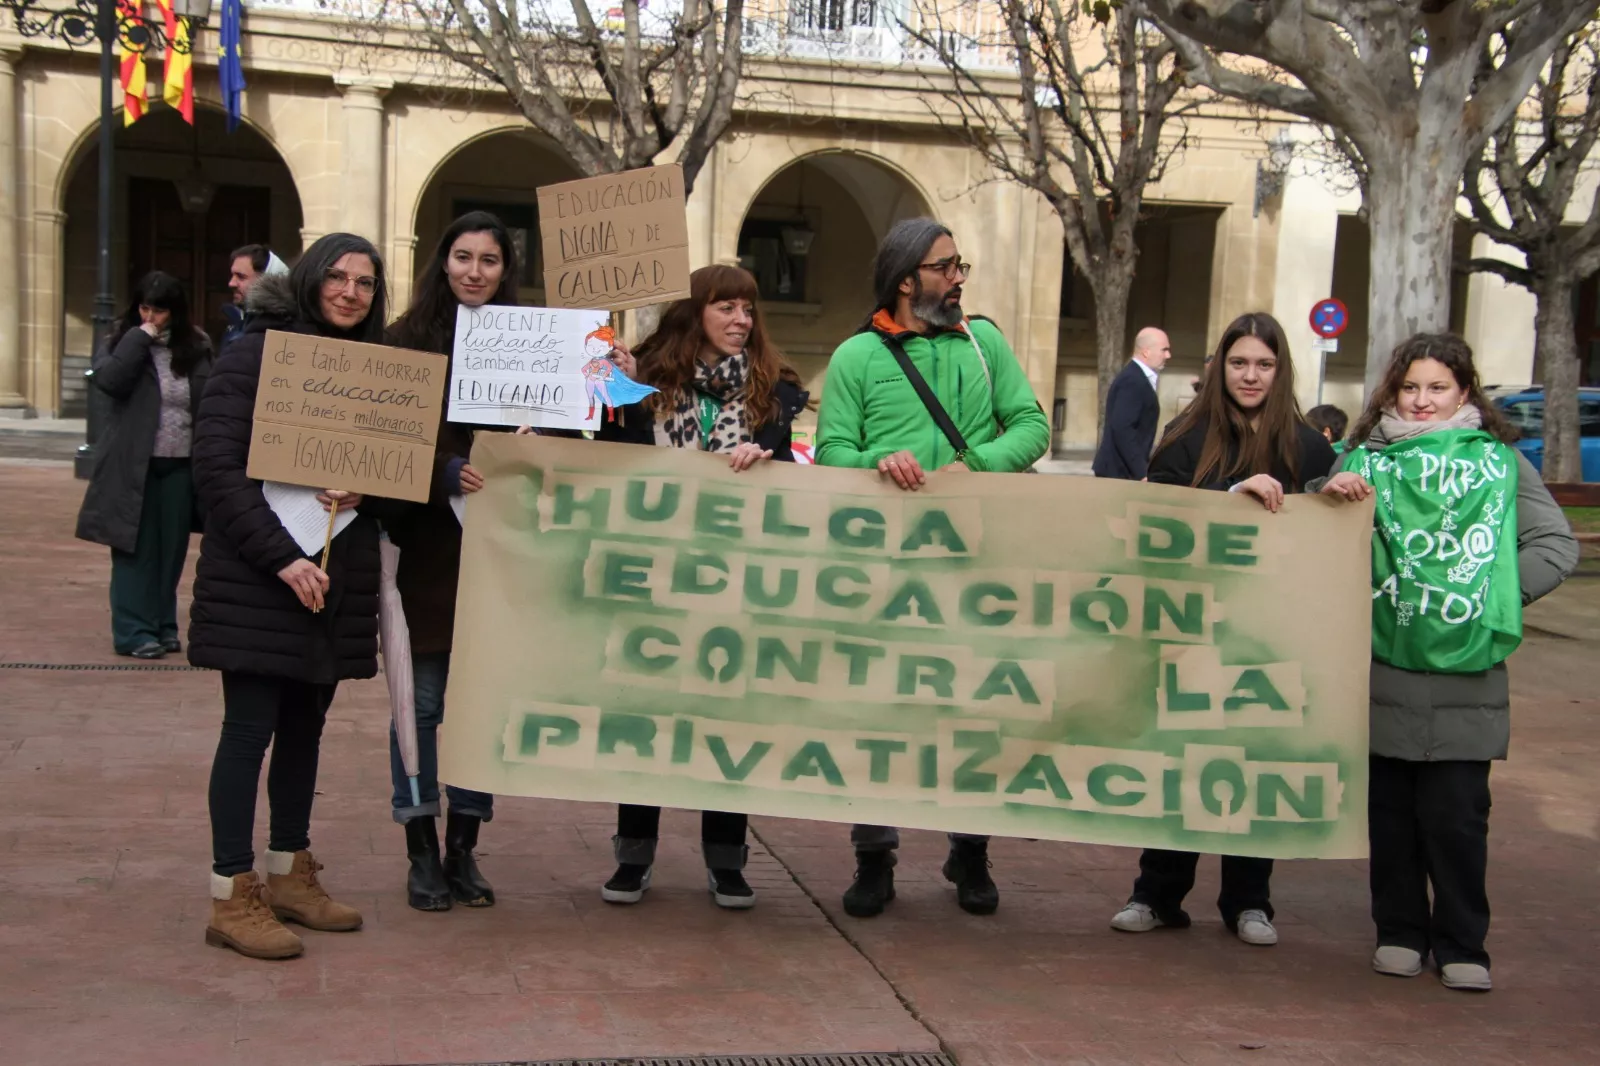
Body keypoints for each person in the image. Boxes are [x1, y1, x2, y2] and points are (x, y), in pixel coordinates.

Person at [1317, 333, 1577, 992]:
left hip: (1469, 675)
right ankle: (1398, 932)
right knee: (1392, 815)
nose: (1423, 400)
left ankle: (1464, 943)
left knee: (1458, 819)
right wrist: (1329, 487)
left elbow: (1555, 542)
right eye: (1411, 388)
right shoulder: (1365, 459)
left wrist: (1495, 597)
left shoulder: (1498, 464)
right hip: (1385, 667)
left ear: (1465, 392)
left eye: (1437, 387)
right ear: (1392, 391)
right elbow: (1314, 528)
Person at [815, 216, 1051, 918]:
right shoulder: (858, 356)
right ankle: (874, 856)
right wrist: (877, 463)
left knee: (973, 706)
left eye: (959, 266)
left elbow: (1033, 426)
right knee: (878, 709)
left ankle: (970, 849)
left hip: (974, 559)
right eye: (946, 266)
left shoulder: (987, 345)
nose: (958, 278)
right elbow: (829, 455)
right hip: (882, 569)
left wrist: (969, 469)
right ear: (906, 277)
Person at [190, 233, 390, 960]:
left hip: (334, 580)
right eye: (336, 278)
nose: (349, 293)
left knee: (307, 728)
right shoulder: (254, 354)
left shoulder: (376, 373)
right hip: (259, 579)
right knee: (249, 731)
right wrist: (281, 559)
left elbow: (395, 470)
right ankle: (230, 893)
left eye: (365, 283)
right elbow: (215, 470)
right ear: (309, 281)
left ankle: (289, 873)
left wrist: (369, 483)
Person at [1109, 311, 1336, 946]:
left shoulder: (1310, 445)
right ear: (1219, 367)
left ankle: (1249, 902)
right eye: (1239, 363)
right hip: (1193, 631)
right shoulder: (1186, 436)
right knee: (1182, 762)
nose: (1251, 375)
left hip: (1273, 638)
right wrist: (1231, 495)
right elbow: (1156, 521)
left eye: (1264, 364)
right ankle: (1156, 894)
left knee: (1256, 764)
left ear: (1280, 369)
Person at [595, 263, 809, 909]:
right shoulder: (644, 385)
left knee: (727, 720)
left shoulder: (776, 395)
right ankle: (634, 855)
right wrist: (613, 384)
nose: (741, 319)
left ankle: (727, 859)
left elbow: (793, 485)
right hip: (656, 579)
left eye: (748, 308)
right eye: (726, 306)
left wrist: (767, 463)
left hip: (737, 585)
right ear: (696, 312)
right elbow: (607, 458)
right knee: (648, 714)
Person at [377, 211, 520, 912]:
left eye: (489, 260)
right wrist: (442, 471)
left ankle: (465, 846)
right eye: (462, 257)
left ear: (505, 270)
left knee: (482, 708)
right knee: (423, 704)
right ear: (442, 264)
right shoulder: (403, 344)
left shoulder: (534, 344)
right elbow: (378, 442)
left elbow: (574, 434)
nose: (474, 271)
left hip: (502, 562)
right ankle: (420, 847)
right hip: (429, 555)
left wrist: (602, 376)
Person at [75, 272, 214, 659]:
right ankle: (134, 632)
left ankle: (163, 625)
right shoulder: (121, 341)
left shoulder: (197, 346)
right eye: (145, 307)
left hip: (180, 463)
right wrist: (139, 338)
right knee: (133, 550)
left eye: (160, 310)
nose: (152, 316)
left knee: (170, 550)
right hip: (133, 463)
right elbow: (111, 382)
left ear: (177, 312)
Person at [1092, 327, 1170, 479]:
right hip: (1118, 473)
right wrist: (1141, 472)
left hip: (1122, 471)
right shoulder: (1132, 380)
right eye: (1164, 350)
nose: (1168, 355)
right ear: (1146, 352)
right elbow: (1122, 428)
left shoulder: (1137, 376)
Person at [219, 244, 289, 349]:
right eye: (232, 275)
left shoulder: (282, 333)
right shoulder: (236, 323)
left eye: (241, 277)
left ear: (266, 281)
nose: (231, 283)